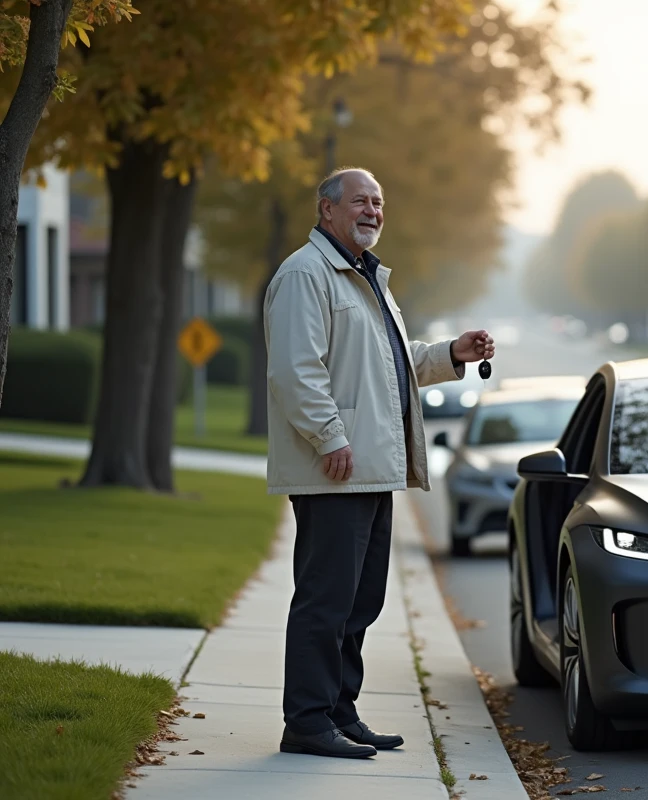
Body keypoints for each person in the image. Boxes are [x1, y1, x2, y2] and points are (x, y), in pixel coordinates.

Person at [263, 167, 494, 759]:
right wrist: (329, 438)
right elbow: (297, 371)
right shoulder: (305, 275)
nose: (372, 211)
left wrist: (449, 354)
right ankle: (308, 722)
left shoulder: (366, 278)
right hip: (334, 469)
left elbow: (389, 365)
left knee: (360, 602)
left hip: (368, 468)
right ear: (327, 211)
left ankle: (340, 712)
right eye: (360, 201)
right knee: (326, 600)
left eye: (379, 202)